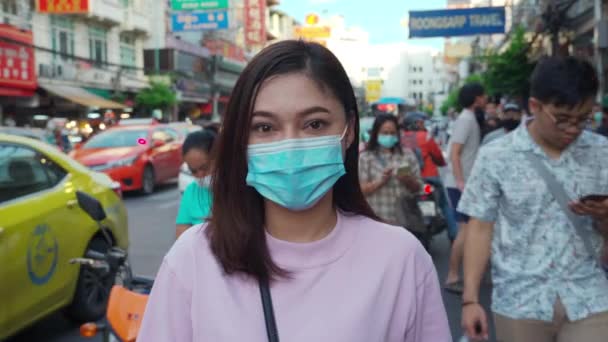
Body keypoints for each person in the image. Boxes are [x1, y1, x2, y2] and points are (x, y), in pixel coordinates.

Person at [139, 40, 451, 341]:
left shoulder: (402, 260)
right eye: (264, 127)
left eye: (314, 124)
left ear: (350, 130)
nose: (291, 145)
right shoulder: (194, 259)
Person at [460, 56, 608, 341]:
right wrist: (470, 299)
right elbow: (480, 227)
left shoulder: (602, 152)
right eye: (562, 119)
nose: (573, 129)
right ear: (535, 106)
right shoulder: (496, 156)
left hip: (590, 295)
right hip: (520, 300)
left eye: (583, 119)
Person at [443, 83, 486, 294]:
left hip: (465, 183)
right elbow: (455, 153)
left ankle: (460, 274)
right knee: (465, 230)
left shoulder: (469, 118)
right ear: (476, 98)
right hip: (460, 184)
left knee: (468, 230)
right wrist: (461, 182)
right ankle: (452, 276)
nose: (486, 98)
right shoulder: (466, 120)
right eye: (483, 95)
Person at [401, 112, 458, 240]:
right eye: (420, 123)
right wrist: (441, 162)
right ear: (413, 124)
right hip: (429, 181)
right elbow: (438, 156)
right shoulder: (426, 136)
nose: (422, 125)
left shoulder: (401, 138)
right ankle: (454, 234)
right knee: (444, 204)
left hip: (410, 180)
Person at [359, 114, 422, 225]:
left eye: (392, 133)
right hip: (377, 221)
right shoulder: (366, 158)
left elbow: (419, 188)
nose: (389, 136)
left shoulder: (407, 155)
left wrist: (407, 180)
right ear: (376, 133)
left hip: (404, 221)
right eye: (385, 133)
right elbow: (359, 191)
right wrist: (380, 181)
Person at [175, 129, 216, 238]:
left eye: (205, 168)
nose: (200, 175)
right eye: (193, 171)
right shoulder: (191, 191)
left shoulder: (240, 189)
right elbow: (181, 236)